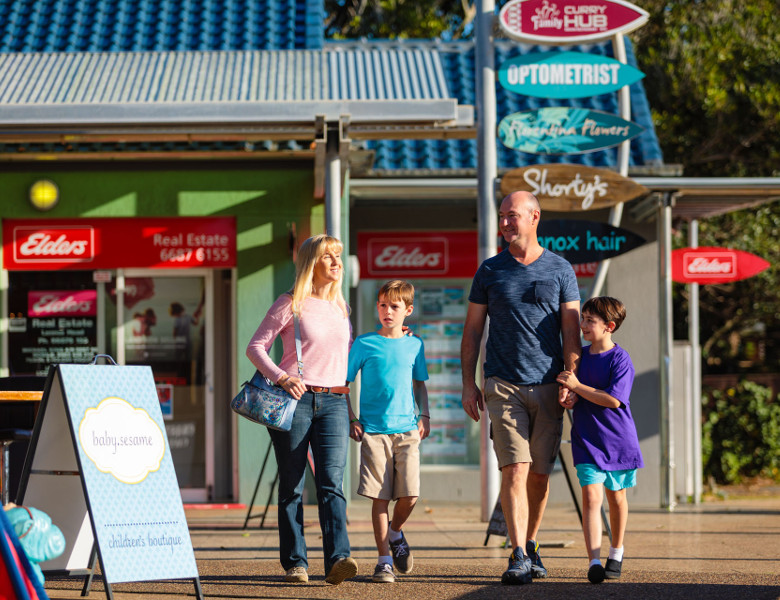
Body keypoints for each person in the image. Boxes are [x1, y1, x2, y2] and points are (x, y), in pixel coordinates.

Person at [461, 191, 581, 585]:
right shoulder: (490, 270)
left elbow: (570, 331)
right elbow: (473, 330)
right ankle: (515, 555)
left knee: (540, 476)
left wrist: (571, 379)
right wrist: (468, 383)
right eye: (502, 217)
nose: (506, 223)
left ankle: (530, 544)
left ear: (535, 217)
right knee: (515, 468)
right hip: (502, 384)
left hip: (549, 385)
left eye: (513, 216)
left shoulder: (561, 270)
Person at [246, 234, 358, 585]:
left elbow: (342, 365)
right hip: (294, 402)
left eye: (338, 256)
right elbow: (255, 347)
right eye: (329, 257)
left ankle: (338, 558)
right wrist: (281, 378)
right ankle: (296, 563)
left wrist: (351, 413)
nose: (336, 263)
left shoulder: (342, 309)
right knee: (293, 485)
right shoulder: (291, 303)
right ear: (313, 262)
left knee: (332, 483)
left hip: (336, 402)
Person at [346, 280, 430, 584]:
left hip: (408, 430)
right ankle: (383, 561)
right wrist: (351, 417)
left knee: (411, 494)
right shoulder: (364, 343)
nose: (387, 311)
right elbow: (344, 383)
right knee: (379, 498)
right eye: (383, 305)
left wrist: (426, 414)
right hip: (373, 431)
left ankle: (395, 533)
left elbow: (420, 382)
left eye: (394, 306)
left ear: (408, 310)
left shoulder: (415, 344)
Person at [556, 296, 643, 584]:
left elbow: (614, 401)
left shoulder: (621, 358)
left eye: (589, 321)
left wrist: (577, 387)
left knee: (616, 498)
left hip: (618, 442)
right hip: (585, 440)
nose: (582, 325)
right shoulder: (577, 357)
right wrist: (567, 396)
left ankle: (616, 552)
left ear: (610, 326)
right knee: (591, 497)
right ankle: (593, 560)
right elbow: (570, 391)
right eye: (582, 318)